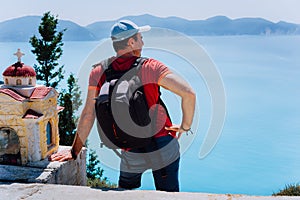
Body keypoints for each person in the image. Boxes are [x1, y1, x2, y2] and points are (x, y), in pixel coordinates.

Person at [50, 20, 196, 192]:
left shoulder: (99, 71)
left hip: (129, 145)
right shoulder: (150, 67)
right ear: (131, 42)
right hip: (162, 144)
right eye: (140, 38)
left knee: (125, 194)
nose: (143, 42)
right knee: (169, 195)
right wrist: (185, 126)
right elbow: (188, 93)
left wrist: (74, 151)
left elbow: (89, 113)